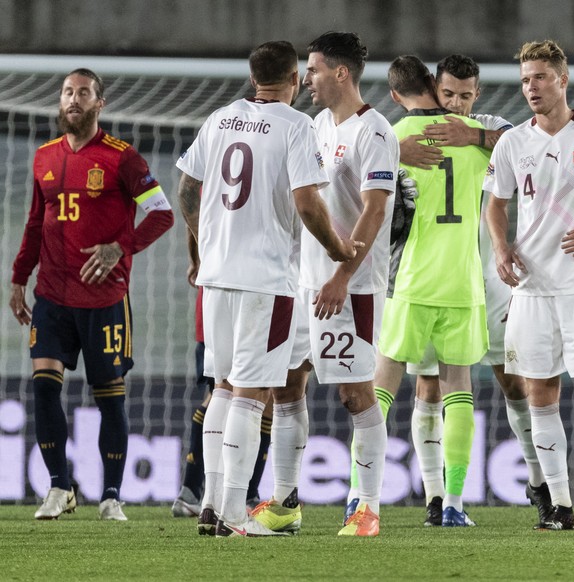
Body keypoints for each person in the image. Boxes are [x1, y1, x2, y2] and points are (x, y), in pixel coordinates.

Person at [176, 40, 359, 538]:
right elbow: (306, 201)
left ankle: (212, 503)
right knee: (252, 393)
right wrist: (340, 247)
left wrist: (200, 247)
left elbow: (186, 190)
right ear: (295, 78)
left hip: (217, 277)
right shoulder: (297, 126)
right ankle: (232, 509)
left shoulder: (219, 119)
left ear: (254, 76)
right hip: (266, 281)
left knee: (222, 388)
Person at [382, 53, 549, 528]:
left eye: (465, 96)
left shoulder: (490, 129)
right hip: (443, 276)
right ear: (435, 88)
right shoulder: (416, 131)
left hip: (491, 280)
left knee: (512, 380)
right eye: (448, 94)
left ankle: (539, 482)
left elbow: (531, 143)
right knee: (429, 386)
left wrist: (472, 134)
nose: (456, 103)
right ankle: (439, 497)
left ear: (478, 95)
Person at [248, 31, 398, 538]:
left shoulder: (375, 132)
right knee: (286, 386)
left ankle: (368, 508)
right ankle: (286, 502)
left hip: (349, 287)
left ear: (340, 73)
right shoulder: (312, 126)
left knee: (356, 395)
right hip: (302, 283)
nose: (305, 78)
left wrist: (341, 274)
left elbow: (375, 211)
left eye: (312, 69)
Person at [9, 68, 174, 521]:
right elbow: (34, 223)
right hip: (52, 298)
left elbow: (162, 214)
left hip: (104, 300)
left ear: (99, 103)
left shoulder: (122, 159)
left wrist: (122, 245)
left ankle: (111, 495)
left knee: (110, 399)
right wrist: (19, 277)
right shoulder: (44, 157)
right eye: (67, 92)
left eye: (83, 93)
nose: (73, 99)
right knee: (43, 389)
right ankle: (60, 488)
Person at [484, 40, 574, 531]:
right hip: (531, 290)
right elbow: (495, 203)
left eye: (540, 77)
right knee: (540, 394)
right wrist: (502, 249)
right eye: (525, 80)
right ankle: (562, 506)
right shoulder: (511, 143)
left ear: (562, 80)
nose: (531, 88)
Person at [368, 54, 490, 527]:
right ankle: (454, 505)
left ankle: (362, 496)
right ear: (435, 88)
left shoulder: (393, 137)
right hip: (463, 281)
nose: (456, 102)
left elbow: (347, 167)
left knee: (380, 388)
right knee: (458, 390)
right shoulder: (479, 137)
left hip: (412, 278)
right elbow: (526, 142)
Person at [171, 233, 273, 518]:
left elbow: (188, 197)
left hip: (215, 288)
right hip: (257, 287)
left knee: (220, 390)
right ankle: (245, 496)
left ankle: (197, 494)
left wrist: (197, 259)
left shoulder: (212, 185)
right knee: (262, 394)